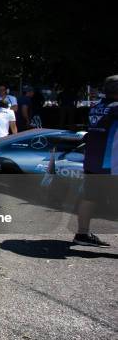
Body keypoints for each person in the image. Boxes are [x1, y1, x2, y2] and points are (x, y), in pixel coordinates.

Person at [75, 75, 118, 247]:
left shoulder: (96, 107)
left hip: (92, 161)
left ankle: (82, 234)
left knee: (89, 197)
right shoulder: (116, 108)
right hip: (110, 165)